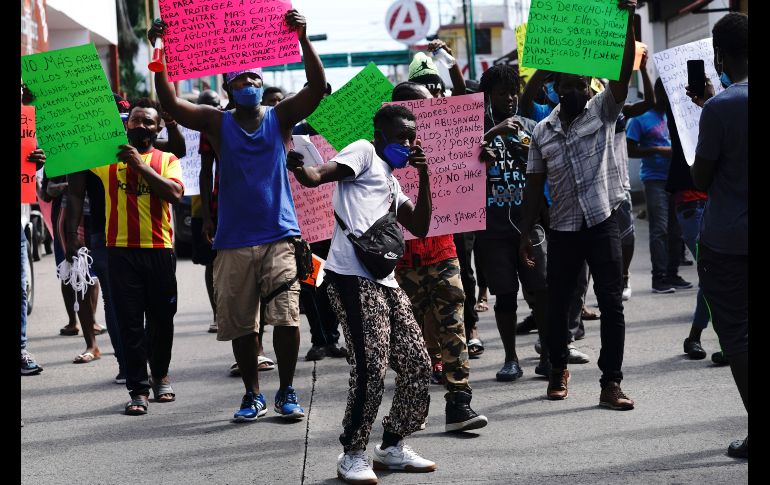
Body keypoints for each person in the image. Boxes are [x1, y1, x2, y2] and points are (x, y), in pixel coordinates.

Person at [149, 9, 326, 423]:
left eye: (254, 78)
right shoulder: (216, 122)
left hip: (281, 235)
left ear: (262, 85)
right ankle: (252, 393)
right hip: (232, 240)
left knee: (285, 319)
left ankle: (286, 389)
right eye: (241, 80)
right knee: (242, 325)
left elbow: (316, 87)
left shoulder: (279, 117)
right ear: (229, 88)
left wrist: (302, 37)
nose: (248, 84)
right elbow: (170, 100)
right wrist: (160, 48)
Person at [288, 104, 436, 483]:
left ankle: (391, 446)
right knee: (371, 366)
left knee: (418, 362)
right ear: (381, 134)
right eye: (401, 137)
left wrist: (423, 173)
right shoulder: (364, 151)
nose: (408, 143)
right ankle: (352, 452)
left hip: (384, 280)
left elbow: (418, 225)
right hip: (350, 277)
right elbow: (319, 174)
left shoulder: (393, 180)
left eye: (412, 137)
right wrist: (301, 169)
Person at [519, 0, 638, 410]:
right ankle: (557, 370)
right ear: (554, 89)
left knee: (610, 303)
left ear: (588, 84)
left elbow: (622, 74)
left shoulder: (603, 111)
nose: (569, 92)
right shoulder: (543, 132)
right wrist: (525, 233)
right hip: (564, 229)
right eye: (562, 86)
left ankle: (611, 382)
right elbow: (534, 189)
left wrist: (624, 21)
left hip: (603, 221)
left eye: (576, 85)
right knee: (557, 305)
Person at [66, 98, 184, 415]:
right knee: (129, 323)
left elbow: (173, 193)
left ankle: (160, 375)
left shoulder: (167, 159)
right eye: (136, 121)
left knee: (161, 321)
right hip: (120, 252)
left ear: (158, 127)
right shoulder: (108, 161)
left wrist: (139, 165)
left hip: (159, 251)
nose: (142, 126)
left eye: (148, 122)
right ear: (126, 124)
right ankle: (138, 390)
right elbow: (74, 160)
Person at [392, 81, 488, 433]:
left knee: (452, 326)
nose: (423, 116)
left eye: (427, 108)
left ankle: (459, 403)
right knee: (410, 337)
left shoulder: (447, 140)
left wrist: (479, 160)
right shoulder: (378, 154)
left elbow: (468, 168)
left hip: (442, 250)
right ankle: (413, 408)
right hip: (399, 259)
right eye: (413, 109)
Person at [686, 11, 748, 459]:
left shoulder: (720, 107)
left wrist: (707, 109)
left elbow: (701, 178)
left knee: (739, 339)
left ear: (720, 55)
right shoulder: (722, 102)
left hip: (729, 243)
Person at [627, 79, 692, 294]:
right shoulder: (640, 118)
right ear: (656, 91)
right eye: (664, 91)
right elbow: (630, 150)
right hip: (654, 179)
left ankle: (673, 273)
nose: (668, 96)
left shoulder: (676, 114)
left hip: (677, 178)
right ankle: (659, 278)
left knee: (677, 229)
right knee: (660, 229)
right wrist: (657, 150)